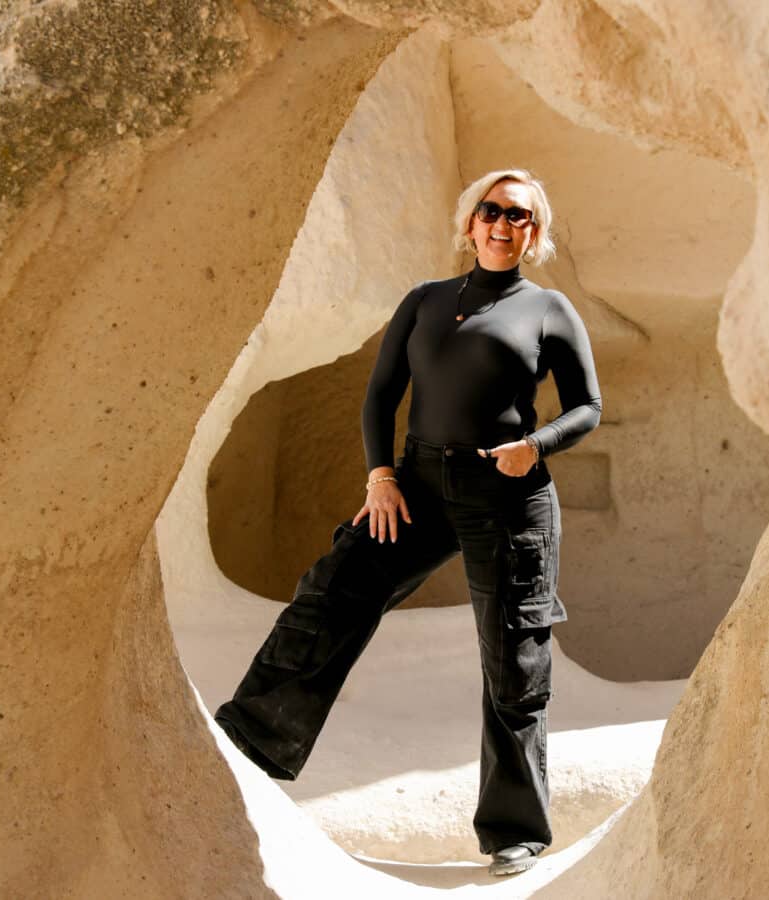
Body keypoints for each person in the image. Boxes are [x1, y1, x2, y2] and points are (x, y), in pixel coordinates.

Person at [215, 168, 602, 876]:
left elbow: (586, 407)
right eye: (491, 211)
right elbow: (382, 393)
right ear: (469, 223)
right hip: (417, 484)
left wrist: (535, 447)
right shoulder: (424, 302)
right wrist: (381, 475)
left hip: (509, 497)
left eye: (519, 216)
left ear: (534, 234)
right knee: (332, 593)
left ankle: (514, 831)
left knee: (515, 660)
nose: (502, 224)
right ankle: (247, 741)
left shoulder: (548, 310)